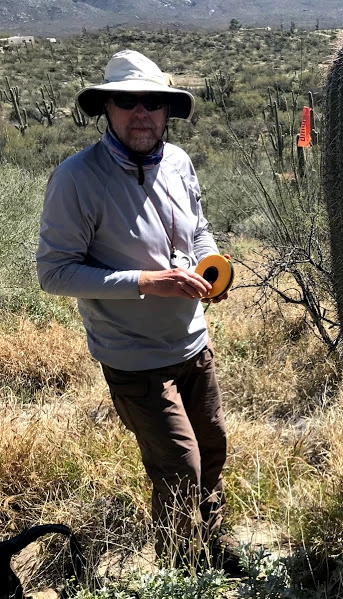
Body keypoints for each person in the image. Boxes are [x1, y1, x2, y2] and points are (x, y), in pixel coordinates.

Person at [36, 50, 240, 573]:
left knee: (211, 450)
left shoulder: (178, 162)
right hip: (134, 357)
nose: (141, 112)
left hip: (194, 343)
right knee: (179, 467)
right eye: (127, 101)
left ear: (168, 109)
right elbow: (55, 273)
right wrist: (149, 282)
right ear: (106, 107)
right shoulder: (76, 179)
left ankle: (212, 544)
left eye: (153, 101)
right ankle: (180, 571)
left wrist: (210, 264)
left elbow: (196, 229)